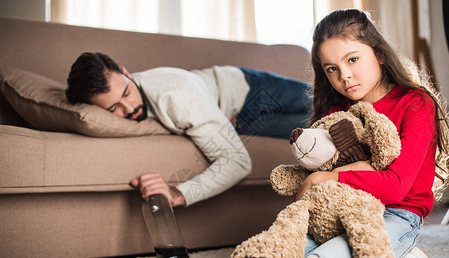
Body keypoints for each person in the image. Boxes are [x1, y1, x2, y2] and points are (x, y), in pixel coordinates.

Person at [235, 9, 449, 258]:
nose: (345, 76)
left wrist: (333, 176)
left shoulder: (415, 103)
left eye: (352, 59)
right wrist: (329, 179)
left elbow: (395, 187)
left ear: (379, 54)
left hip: (395, 214)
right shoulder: (337, 111)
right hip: (336, 214)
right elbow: (312, 187)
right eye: (331, 68)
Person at [65, 53, 312, 207]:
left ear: (128, 74)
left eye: (127, 92)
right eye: (113, 108)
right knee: (319, 129)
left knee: (332, 98)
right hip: (240, 122)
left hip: (249, 88)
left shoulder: (175, 97)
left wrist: (178, 194)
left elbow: (237, 162)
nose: (129, 108)